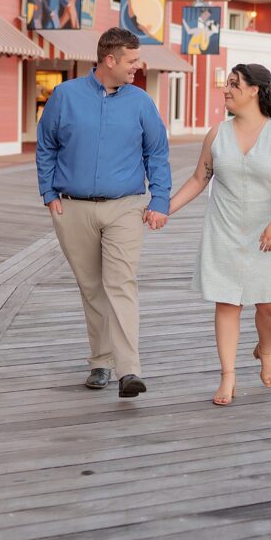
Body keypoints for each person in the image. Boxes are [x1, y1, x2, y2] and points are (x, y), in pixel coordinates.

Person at [36, 27, 171, 398]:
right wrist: (48, 193)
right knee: (92, 287)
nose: (136, 67)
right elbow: (45, 145)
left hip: (126, 207)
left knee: (121, 284)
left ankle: (129, 370)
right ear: (109, 60)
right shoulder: (64, 97)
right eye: (131, 61)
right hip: (73, 207)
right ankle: (101, 361)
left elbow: (156, 152)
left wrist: (160, 201)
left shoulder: (141, 102)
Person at [168, 63, 271, 406]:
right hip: (224, 230)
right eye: (226, 84)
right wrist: (165, 208)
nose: (225, 90)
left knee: (270, 306)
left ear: (255, 89)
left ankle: (265, 350)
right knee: (227, 302)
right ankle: (228, 375)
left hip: (267, 231)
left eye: (233, 84)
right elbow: (200, 178)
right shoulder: (217, 133)